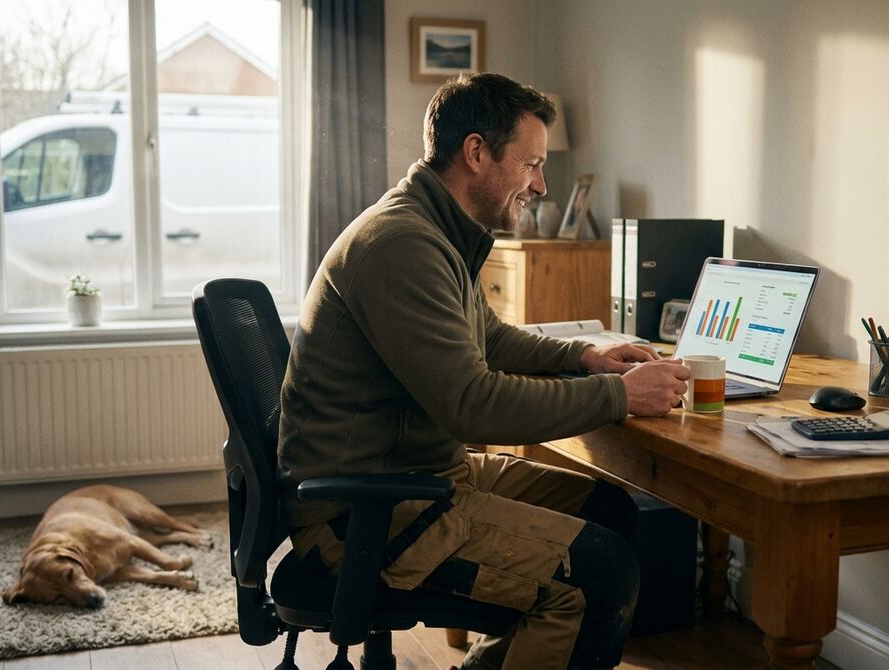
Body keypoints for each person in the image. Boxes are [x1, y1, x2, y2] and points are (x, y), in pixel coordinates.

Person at [278, 72, 690, 670]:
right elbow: (473, 404)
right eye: (531, 165)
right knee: (599, 575)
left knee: (611, 512)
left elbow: (486, 336)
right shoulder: (403, 244)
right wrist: (618, 395)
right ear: (476, 152)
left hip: (415, 475)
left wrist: (582, 356)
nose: (541, 185)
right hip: (365, 513)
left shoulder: (435, 229)